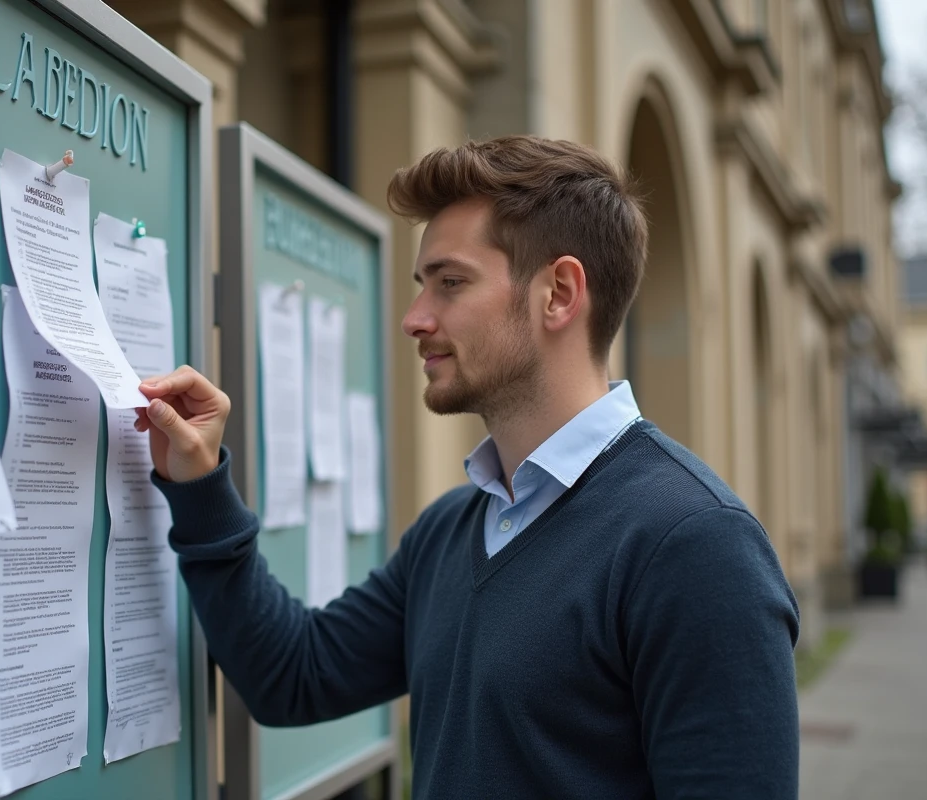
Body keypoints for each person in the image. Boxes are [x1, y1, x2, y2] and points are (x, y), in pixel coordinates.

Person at [132, 135, 800, 799]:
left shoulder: (695, 544)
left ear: (559, 293)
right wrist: (199, 485)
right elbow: (293, 676)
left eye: (450, 283)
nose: (414, 319)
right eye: (422, 286)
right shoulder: (450, 530)